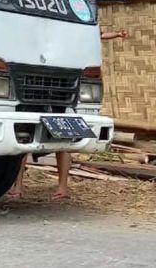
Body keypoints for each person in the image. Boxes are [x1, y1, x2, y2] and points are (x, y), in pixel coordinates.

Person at [10, 29, 128, 200]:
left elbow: (93, 33)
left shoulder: (65, 28)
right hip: (37, 81)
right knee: (25, 134)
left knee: (61, 134)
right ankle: (19, 186)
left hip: (57, 82)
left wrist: (115, 34)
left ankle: (60, 187)